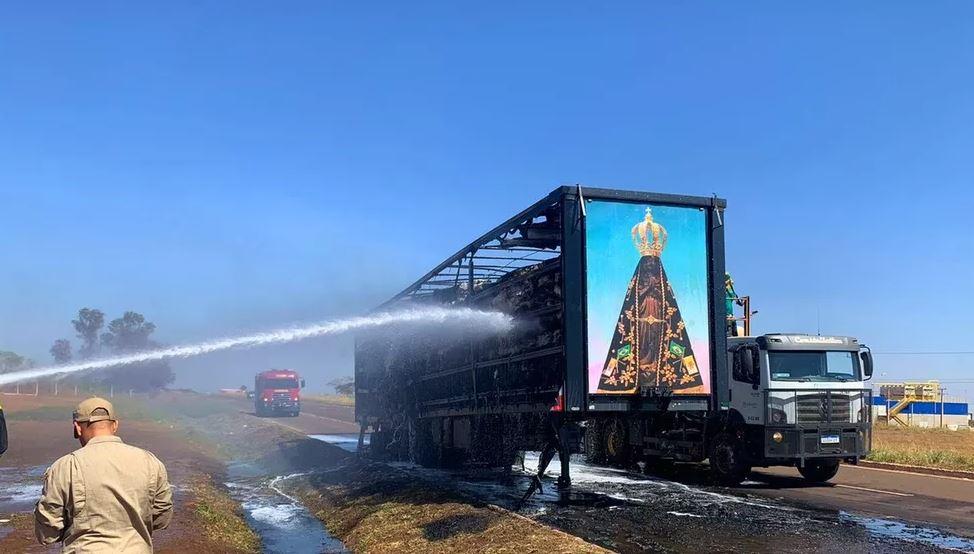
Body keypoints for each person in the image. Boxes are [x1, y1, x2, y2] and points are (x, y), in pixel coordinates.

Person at [34, 397, 173, 553]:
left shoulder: (65, 466)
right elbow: (162, 518)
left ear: (77, 428)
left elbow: (48, 533)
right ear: (115, 425)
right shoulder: (150, 461)